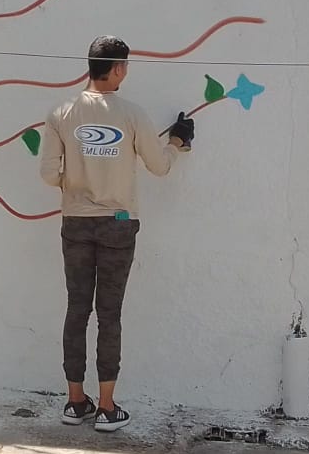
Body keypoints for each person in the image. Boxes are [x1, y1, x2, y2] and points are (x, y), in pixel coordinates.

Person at [39, 36, 194, 433]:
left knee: (77, 310)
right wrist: (177, 142)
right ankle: (107, 408)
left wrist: (73, 184)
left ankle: (75, 402)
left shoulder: (61, 112)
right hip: (118, 224)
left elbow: (47, 174)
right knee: (109, 315)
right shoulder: (131, 114)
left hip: (75, 221)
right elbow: (159, 166)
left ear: (91, 65)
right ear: (118, 68)